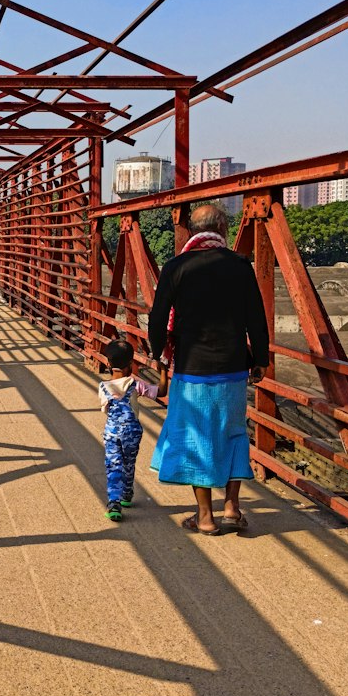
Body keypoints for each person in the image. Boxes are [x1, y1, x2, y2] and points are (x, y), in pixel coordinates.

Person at [148, 202, 269, 536]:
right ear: (224, 229)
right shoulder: (240, 267)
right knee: (232, 433)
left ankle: (204, 517)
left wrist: (157, 352)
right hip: (232, 368)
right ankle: (232, 507)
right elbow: (256, 318)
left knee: (194, 437)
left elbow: (158, 318)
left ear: (191, 230)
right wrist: (260, 359)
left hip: (191, 368)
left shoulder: (176, 267)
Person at [99, 338, 168, 522]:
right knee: (129, 463)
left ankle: (114, 502)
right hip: (132, 431)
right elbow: (160, 392)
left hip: (112, 431)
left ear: (107, 362)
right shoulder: (135, 384)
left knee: (114, 465)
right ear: (130, 364)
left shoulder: (103, 387)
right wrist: (163, 373)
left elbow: (105, 408)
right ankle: (127, 494)